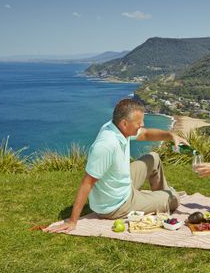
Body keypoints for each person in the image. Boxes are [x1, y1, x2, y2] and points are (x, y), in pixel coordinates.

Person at [44, 98, 187, 233]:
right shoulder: (106, 145)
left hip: (123, 186)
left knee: (153, 158)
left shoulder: (117, 127)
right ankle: (165, 199)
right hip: (116, 205)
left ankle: (159, 197)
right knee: (173, 198)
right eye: (139, 122)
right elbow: (87, 183)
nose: (142, 124)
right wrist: (72, 221)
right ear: (124, 123)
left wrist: (170, 135)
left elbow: (147, 134)